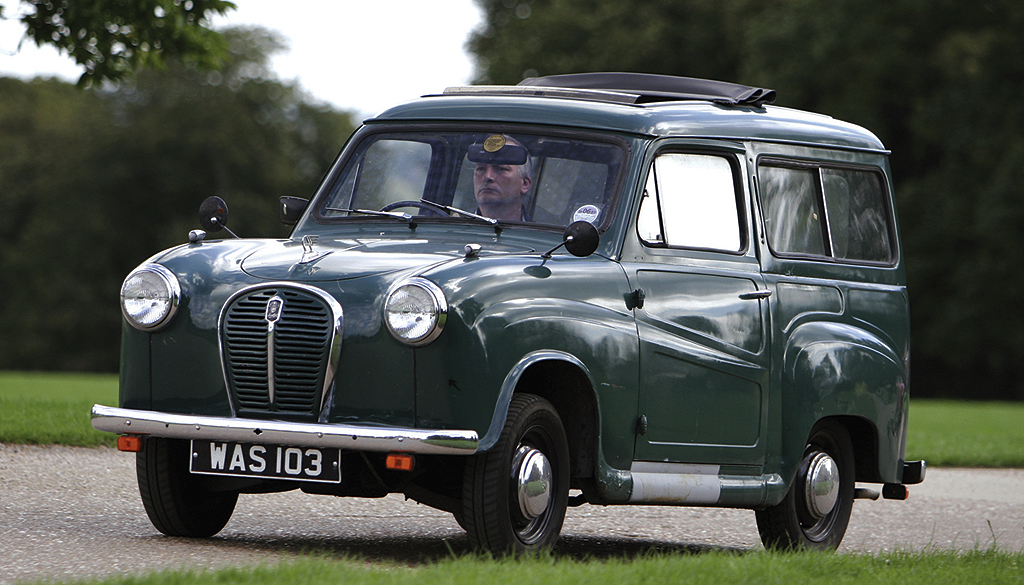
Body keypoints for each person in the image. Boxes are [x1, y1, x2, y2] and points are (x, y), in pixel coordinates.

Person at [472, 135, 533, 221]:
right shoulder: (455, 231)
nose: (487, 176)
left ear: (525, 184)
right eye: (481, 169)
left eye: (501, 169)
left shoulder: (538, 233)